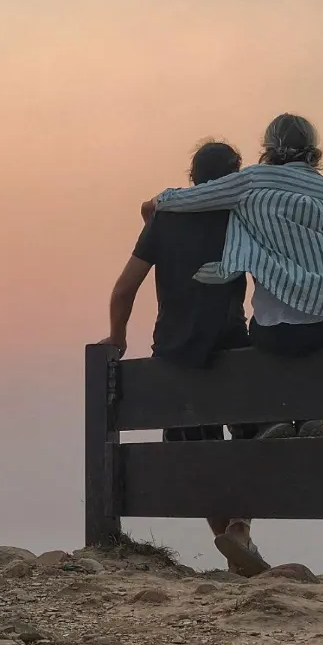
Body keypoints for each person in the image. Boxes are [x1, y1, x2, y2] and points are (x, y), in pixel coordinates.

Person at [143, 113, 323, 439]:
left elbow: (189, 198)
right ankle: (309, 414)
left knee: (265, 331)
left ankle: (280, 416)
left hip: (280, 333)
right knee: (313, 336)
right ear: (313, 148)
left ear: (268, 148)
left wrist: (153, 204)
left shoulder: (252, 181)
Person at [101, 139, 270, 577]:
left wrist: (117, 338)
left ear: (192, 178)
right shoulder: (243, 217)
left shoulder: (165, 220)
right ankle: (239, 530)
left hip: (175, 356)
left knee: (197, 453)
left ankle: (236, 538)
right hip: (234, 347)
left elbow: (124, 289)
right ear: (236, 177)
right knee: (254, 441)